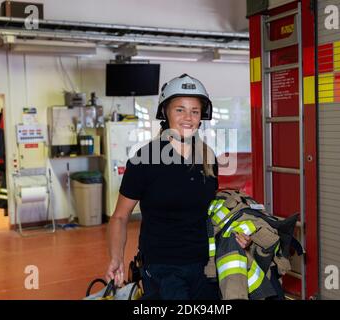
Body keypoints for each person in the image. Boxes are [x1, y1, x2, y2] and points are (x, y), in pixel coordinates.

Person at [105, 74, 251, 300]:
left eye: (194, 111)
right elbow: (120, 217)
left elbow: (206, 212)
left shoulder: (208, 158)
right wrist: (116, 257)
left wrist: (233, 233)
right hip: (162, 267)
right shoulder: (144, 159)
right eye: (180, 109)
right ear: (165, 112)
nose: (188, 117)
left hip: (205, 266)